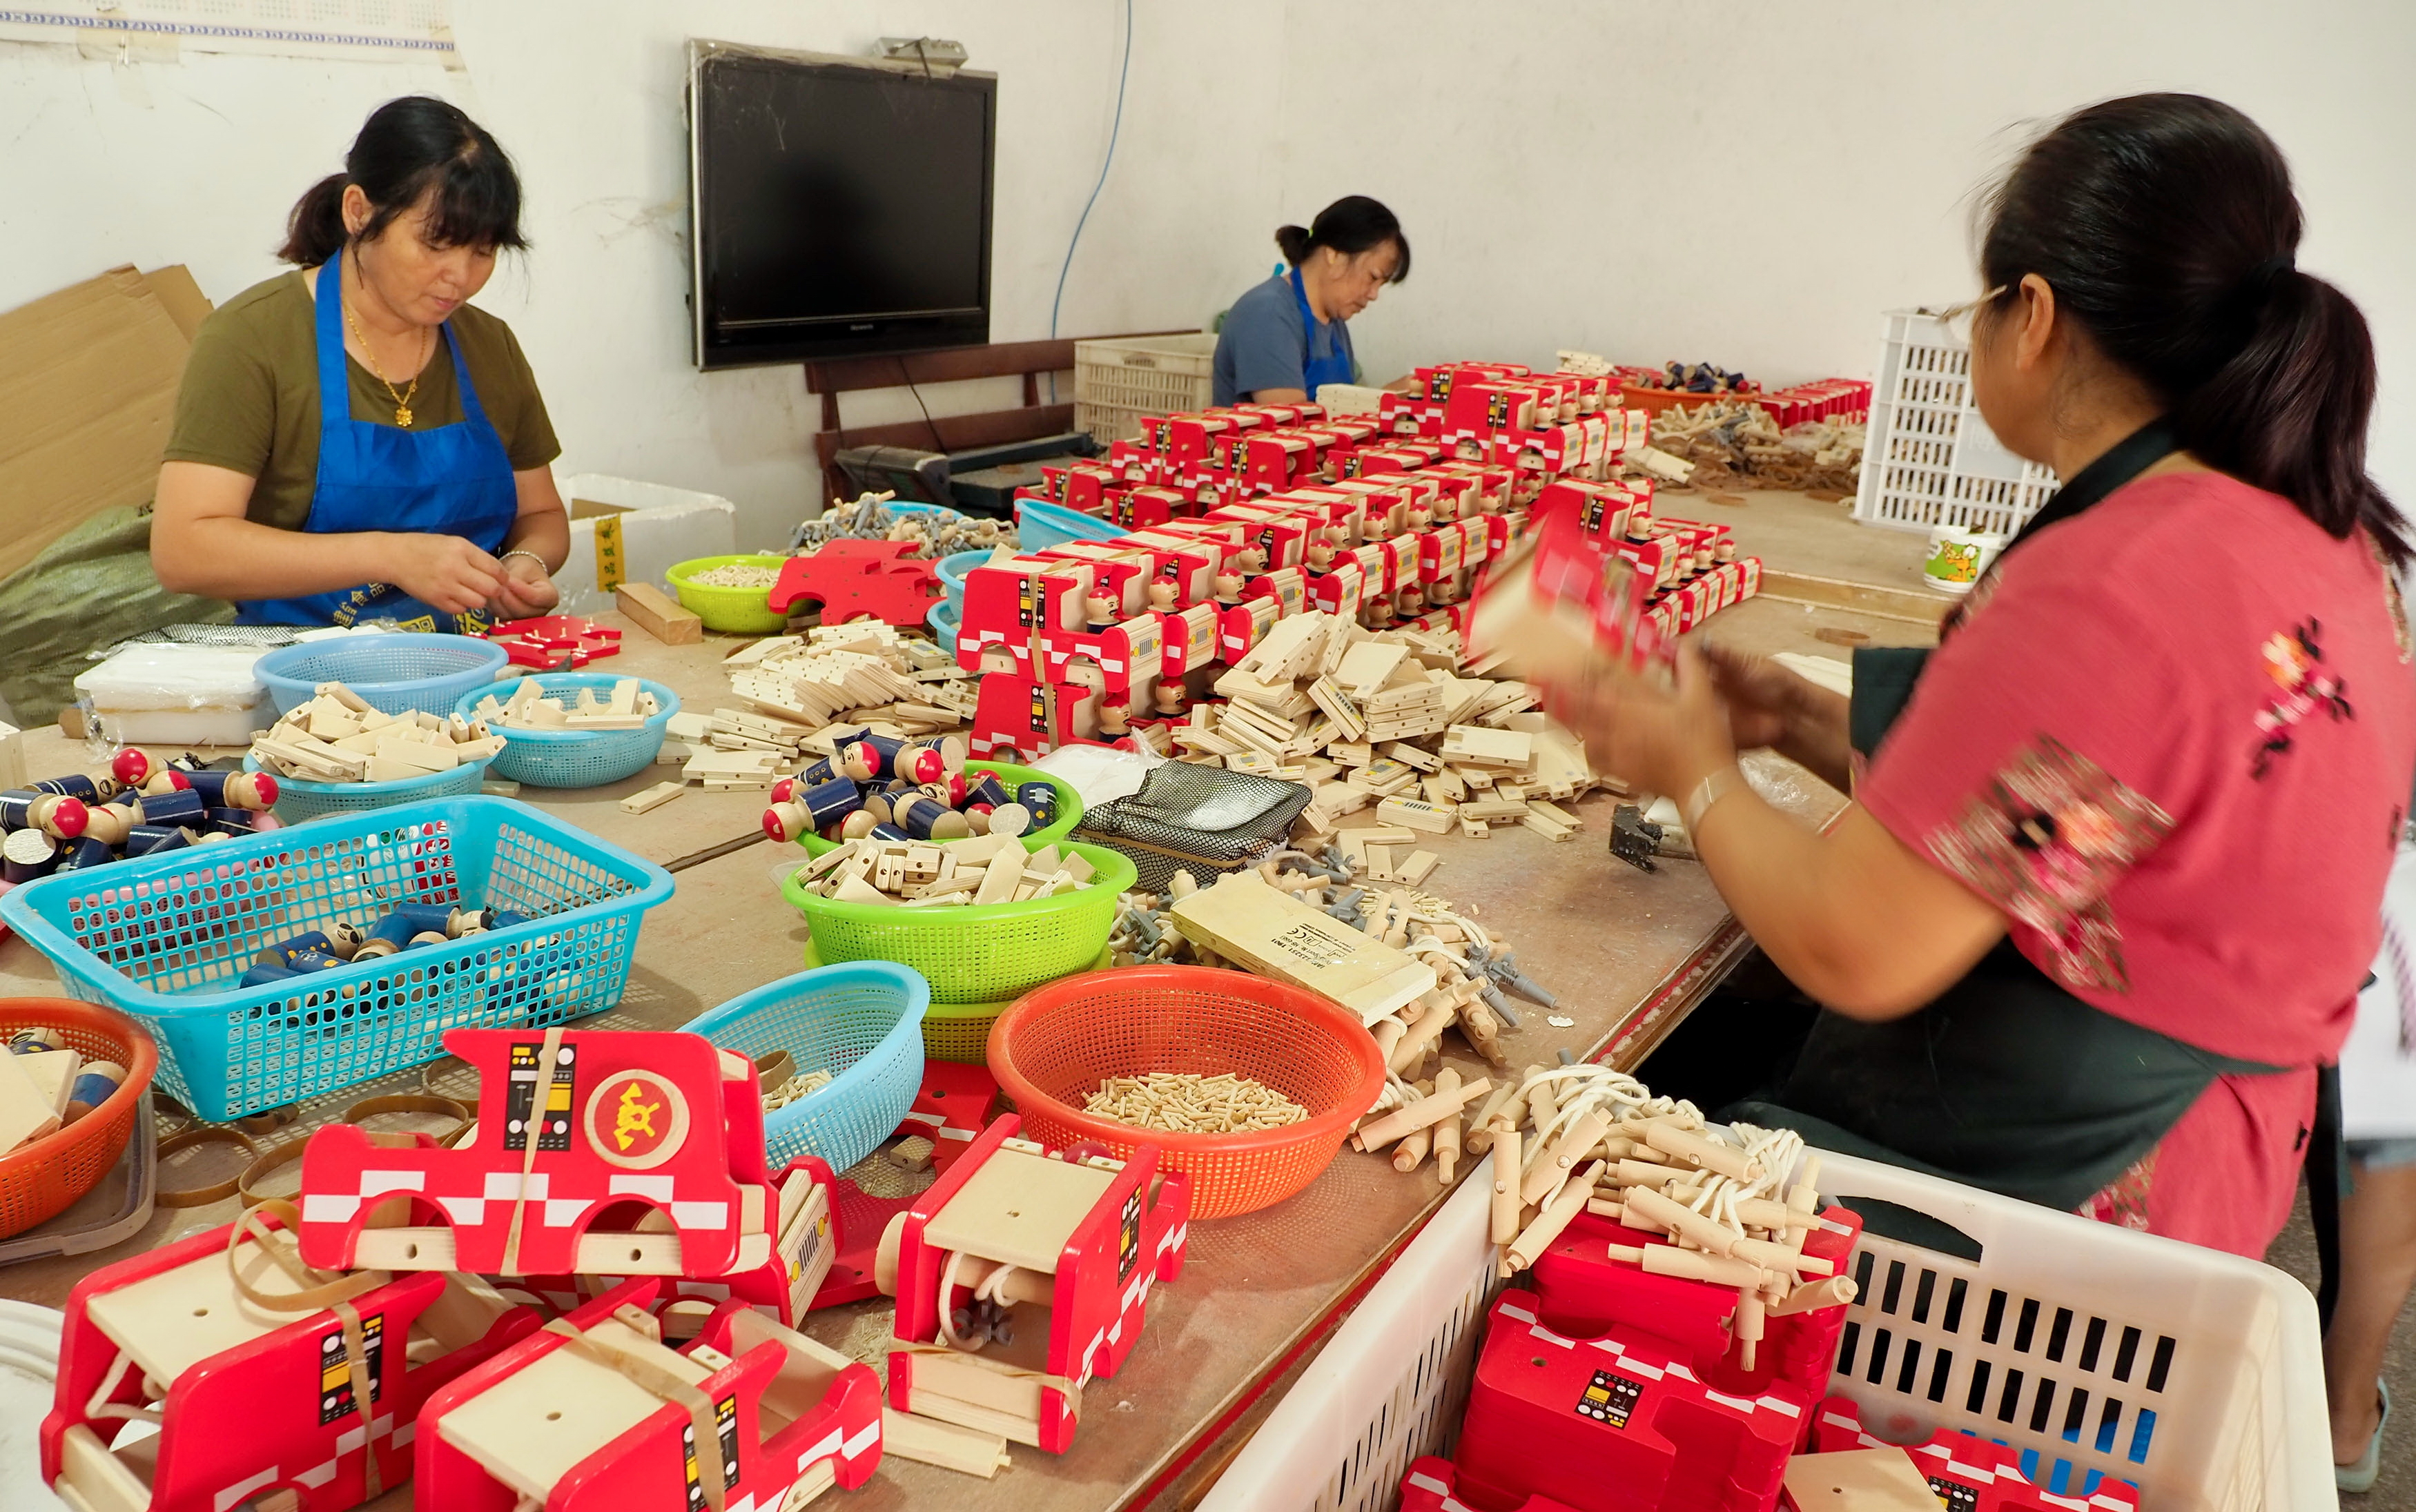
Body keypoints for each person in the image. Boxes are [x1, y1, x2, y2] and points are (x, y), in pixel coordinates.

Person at [1546, 93, 2415, 1260]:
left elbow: (1852, 944)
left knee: (1580, 1168)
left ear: (2036, 318)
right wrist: (1800, 719)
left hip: (2052, 1217)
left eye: (1981, 309)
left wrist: (1692, 766)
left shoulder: (2115, 580)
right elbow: (2089, 810)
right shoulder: (2318, 532)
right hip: (2214, 1172)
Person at [151, 96, 568, 633]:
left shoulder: (491, 346)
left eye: (483, 252)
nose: (460, 277)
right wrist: (389, 556)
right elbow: (183, 549)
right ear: (358, 212)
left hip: (466, 669)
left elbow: (541, 517)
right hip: (302, 681)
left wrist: (524, 565)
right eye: (436, 243)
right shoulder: (252, 338)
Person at [1211, 195, 1408, 406]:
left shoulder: (1333, 319)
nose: (1373, 294)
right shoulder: (1268, 313)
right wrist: (1379, 402)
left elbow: (1340, 408)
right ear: (1335, 256)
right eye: (1373, 277)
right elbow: (1288, 425)